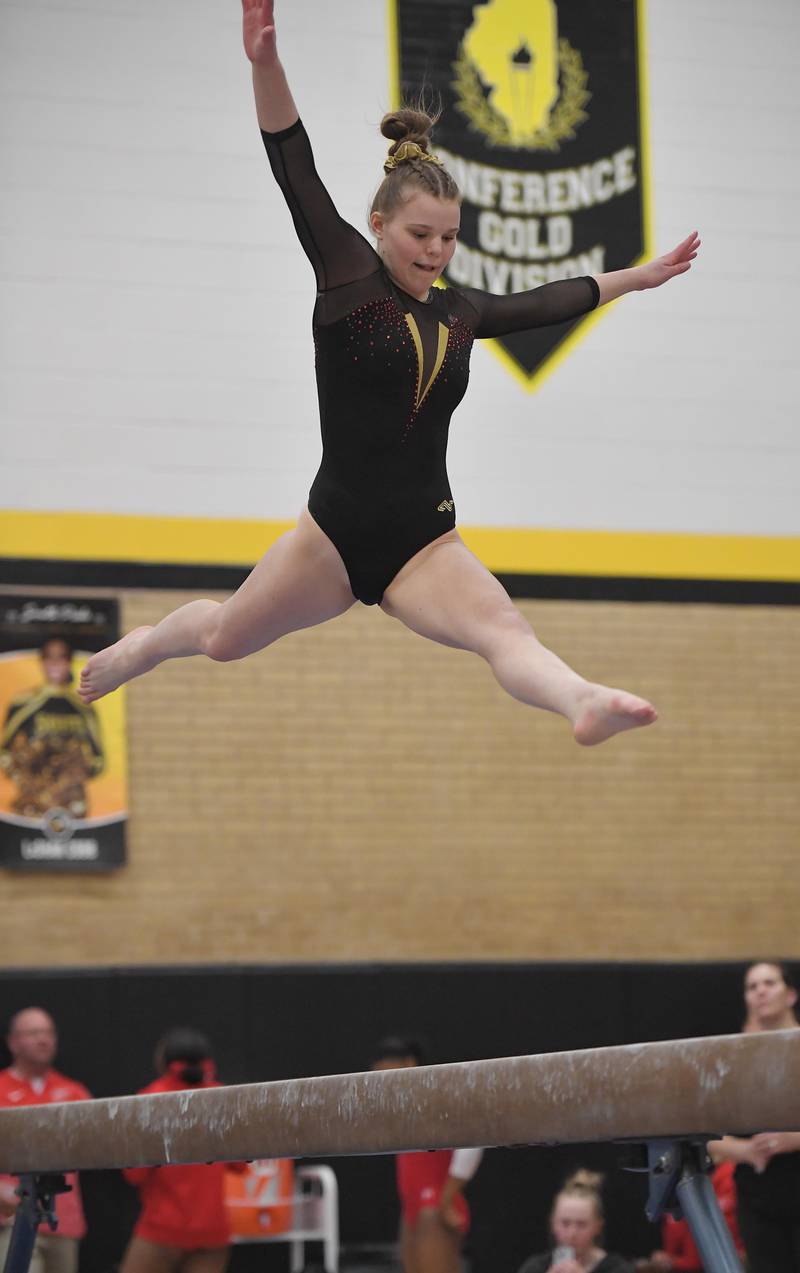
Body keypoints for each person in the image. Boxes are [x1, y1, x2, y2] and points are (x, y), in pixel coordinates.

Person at [79, 0, 700, 749]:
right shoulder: (346, 277)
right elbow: (292, 162)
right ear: (378, 225)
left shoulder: (459, 312)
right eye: (419, 234)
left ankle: (581, 700)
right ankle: (145, 645)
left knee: (504, 629)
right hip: (331, 534)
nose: (436, 250)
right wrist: (265, 64)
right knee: (221, 639)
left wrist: (639, 277)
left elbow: (546, 301)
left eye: (448, 237)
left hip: (424, 540)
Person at [120, 1028, 245, 1273]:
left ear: (163, 1062)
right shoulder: (222, 1097)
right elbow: (240, 1165)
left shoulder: (150, 1099)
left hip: (162, 1228)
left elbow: (134, 1174)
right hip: (212, 1230)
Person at [708, 961, 800, 1272]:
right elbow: (702, 1136)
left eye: (769, 983)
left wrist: (793, 1140)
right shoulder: (734, 1056)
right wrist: (745, 1151)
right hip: (757, 1191)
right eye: (752, 986)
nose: (760, 991)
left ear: (790, 995)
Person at [372, 1036, 483, 1273]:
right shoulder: (400, 1107)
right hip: (411, 1206)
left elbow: (474, 1142)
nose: (383, 1084)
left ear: (410, 1063)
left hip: (435, 1206)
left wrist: (447, 1197)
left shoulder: (435, 1098)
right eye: (377, 1078)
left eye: (387, 1075)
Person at [0, 1008, 91, 1273]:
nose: (43, 1039)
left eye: (49, 1033)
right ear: (13, 1042)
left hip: (63, 1222)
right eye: (34, 1032)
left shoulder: (74, 1092)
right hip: (11, 1218)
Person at [1, 637, 104, 818]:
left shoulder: (84, 707)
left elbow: (99, 760)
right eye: (50, 657)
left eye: (61, 657)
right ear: (42, 661)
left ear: (69, 662)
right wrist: (25, 776)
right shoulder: (23, 704)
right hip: (31, 803)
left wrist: (75, 773)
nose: (55, 663)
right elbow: (5, 752)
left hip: (71, 804)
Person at [516, 1170, 632, 1273]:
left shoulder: (618, 1268)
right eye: (565, 1223)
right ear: (552, 1223)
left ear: (598, 1226)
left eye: (582, 1224)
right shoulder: (535, 1267)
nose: (572, 1233)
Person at [635, 1160, 743, 1271]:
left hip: (729, 1260)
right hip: (694, 1261)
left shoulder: (728, 1175)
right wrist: (668, 1261)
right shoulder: (675, 1180)